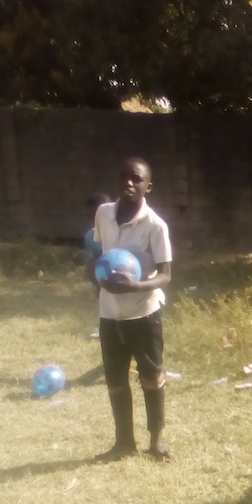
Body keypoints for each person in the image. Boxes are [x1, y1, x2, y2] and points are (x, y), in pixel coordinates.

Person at [90, 157, 172, 462]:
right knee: (115, 379)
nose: (128, 182)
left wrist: (134, 287)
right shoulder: (104, 213)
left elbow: (166, 275)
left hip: (144, 313)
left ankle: (157, 440)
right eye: (123, 176)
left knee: (151, 376)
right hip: (110, 313)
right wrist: (97, 279)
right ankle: (123, 442)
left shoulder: (155, 225)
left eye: (136, 178)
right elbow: (100, 251)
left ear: (148, 186)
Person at [83, 192, 111, 339]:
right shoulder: (91, 235)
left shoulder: (92, 235)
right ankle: (105, 328)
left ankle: (107, 329)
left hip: (109, 273)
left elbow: (92, 261)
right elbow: (92, 260)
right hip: (104, 274)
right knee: (105, 303)